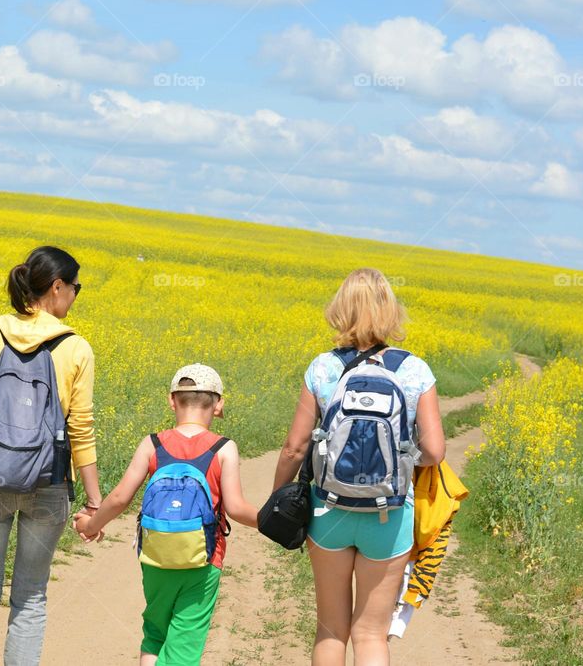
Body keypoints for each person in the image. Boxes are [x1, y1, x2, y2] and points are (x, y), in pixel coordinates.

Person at [272, 268, 445, 666]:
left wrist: (278, 497)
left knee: (331, 629)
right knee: (370, 635)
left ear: (341, 309)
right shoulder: (415, 370)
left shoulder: (323, 368)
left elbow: (294, 448)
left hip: (329, 511)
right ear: (390, 310)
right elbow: (434, 451)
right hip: (388, 515)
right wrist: (398, 461)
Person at [0, 246, 103, 666]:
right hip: (47, 483)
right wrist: (94, 501)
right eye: (75, 288)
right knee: (31, 594)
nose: (75, 295)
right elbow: (81, 429)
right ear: (57, 288)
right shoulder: (76, 348)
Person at [74, 364, 258, 666]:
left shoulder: (153, 444)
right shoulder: (224, 449)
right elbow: (237, 509)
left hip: (156, 556)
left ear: (172, 400)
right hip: (203, 560)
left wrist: (91, 524)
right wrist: (273, 521)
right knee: (185, 640)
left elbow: (120, 498)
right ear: (219, 404)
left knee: (156, 632)